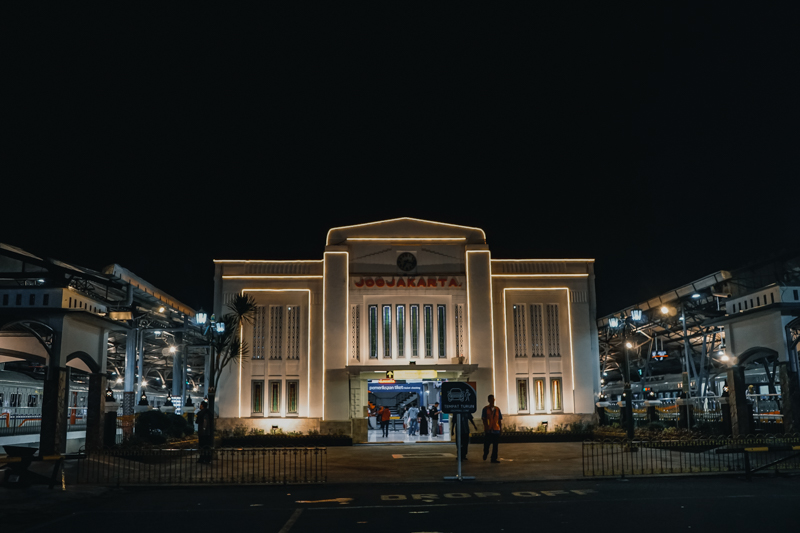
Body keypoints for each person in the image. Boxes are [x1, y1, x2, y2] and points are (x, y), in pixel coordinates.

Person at [481, 394, 502, 463]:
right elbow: (484, 419)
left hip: (496, 430)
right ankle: (485, 453)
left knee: (495, 445)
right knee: (487, 444)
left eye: (493, 399)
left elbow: (499, 420)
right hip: (488, 430)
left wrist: (501, 429)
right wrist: (486, 427)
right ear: (488, 400)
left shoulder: (497, 409)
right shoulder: (485, 409)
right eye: (491, 399)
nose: (492, 401)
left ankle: (494, 458)